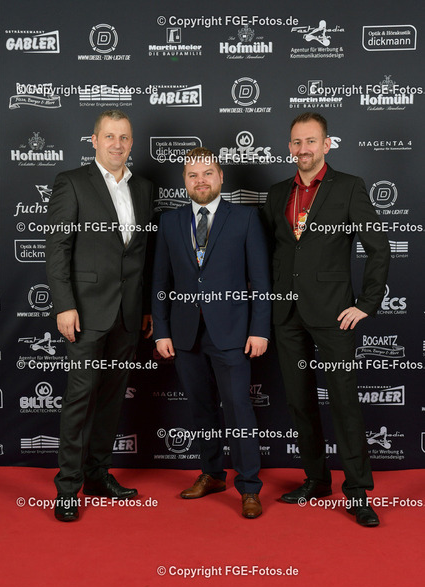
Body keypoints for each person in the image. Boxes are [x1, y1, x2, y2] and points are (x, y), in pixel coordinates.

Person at [262, 112, 390, 527]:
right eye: (297, 142)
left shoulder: (349, 187)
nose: (304, 149)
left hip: (335, 314)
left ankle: (357, 491)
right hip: (286, 314)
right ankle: (316, 480)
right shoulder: (276, 194)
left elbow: (379, 248)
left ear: (326, 144)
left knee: (344, 402)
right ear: (289, 147)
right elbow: (271, 254)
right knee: (299, 402)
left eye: (311, 141)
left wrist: (367, 303)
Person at [46, 109, 154, 521]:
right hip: (86, 312)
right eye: (109, 136)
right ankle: (67, 488)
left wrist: (145, 308)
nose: (117, 144)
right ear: (94, 141)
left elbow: (141, 255)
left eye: (124, 137)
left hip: (127, 313)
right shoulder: (72, 182)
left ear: (131, 142)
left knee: (111, 400)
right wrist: (64, 304)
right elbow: (58, 248)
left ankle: (97, 474)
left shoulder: (143, 188)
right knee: (80, 398)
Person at [152, 147, 271, 518]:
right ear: (184, 181)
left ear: (221, 177)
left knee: (238, 410)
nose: (200, 180)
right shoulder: (170, 222)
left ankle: (249, 487)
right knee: (201, 410)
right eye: (192, 175)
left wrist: (260, 329)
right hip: (186, 334)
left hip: (233, 332)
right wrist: (161, 331)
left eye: (207, 173)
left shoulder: (246, 218)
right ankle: (212, 474)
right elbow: (160, 281)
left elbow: (261, 280)